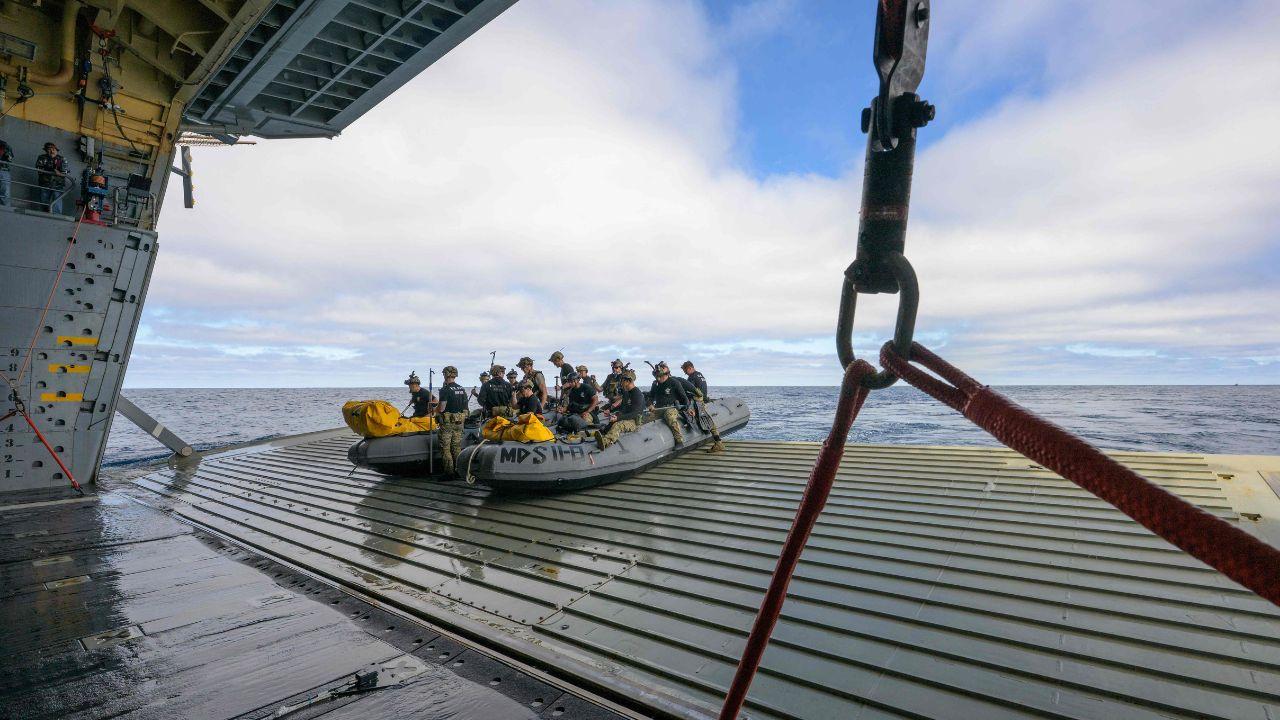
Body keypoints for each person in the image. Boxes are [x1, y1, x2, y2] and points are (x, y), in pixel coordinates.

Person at [680, 361, 724, 453]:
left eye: (685, 370)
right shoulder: (700, 375)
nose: (685, 373)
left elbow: (688, 390)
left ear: (689, 368)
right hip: (701, 401)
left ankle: (718, 442)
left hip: (696, 403)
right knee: (705, 420)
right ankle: (716, 440)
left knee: (707, 421)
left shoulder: (692, 377)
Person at [595, 370, 643, 450]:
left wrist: (618, 418)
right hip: (626, 417)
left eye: (622, 380)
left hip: (634, 421)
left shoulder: (637, 394)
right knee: (612, 422)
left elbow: (635, 413)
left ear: (628, 381)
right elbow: (623, 407)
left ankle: (605, 442)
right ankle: (601, 433)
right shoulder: (627, 393)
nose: (621, 382)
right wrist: (610, 410)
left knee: (617, 425)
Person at [435, 366, 469, 475]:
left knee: (445, 448)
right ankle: (459, 471)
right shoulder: (462, 389)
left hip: (447, 423)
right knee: (456, 447)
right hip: (459, 422)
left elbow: (442, 408)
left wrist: (434, 410)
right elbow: (465, 407)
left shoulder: (445, 390)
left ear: (446, 375)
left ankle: (449, 473)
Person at [648, 361, 691, 445]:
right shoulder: (655, 383)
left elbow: (684, 398)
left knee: (670, 417)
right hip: (658, 408)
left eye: (663, 368)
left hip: (671, 408)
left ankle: (679, 441)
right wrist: (650, 404)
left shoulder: (674, 382)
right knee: (646, 419)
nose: (659, 379)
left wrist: (687, 408)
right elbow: (650, 397)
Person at [35, 142, 68, 214]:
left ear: (56, 150)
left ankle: (57, 216)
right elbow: (39, 170)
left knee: (57, 199)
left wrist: (59, 173)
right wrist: (52, 170)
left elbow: (65, 173)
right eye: (49, 149)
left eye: (53, 149)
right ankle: (44, 214)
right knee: (44, 200)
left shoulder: (62, 159)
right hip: (45, 183)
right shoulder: (41, 158)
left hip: (58, 185)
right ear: (46, 151)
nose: (51, 151)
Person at [0, 138, 13, 207]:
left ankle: (5, 208)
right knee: (5, 192)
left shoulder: (5, 146)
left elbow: (10, 159)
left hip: (3, 170)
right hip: (4, 171)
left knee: (5, 191)